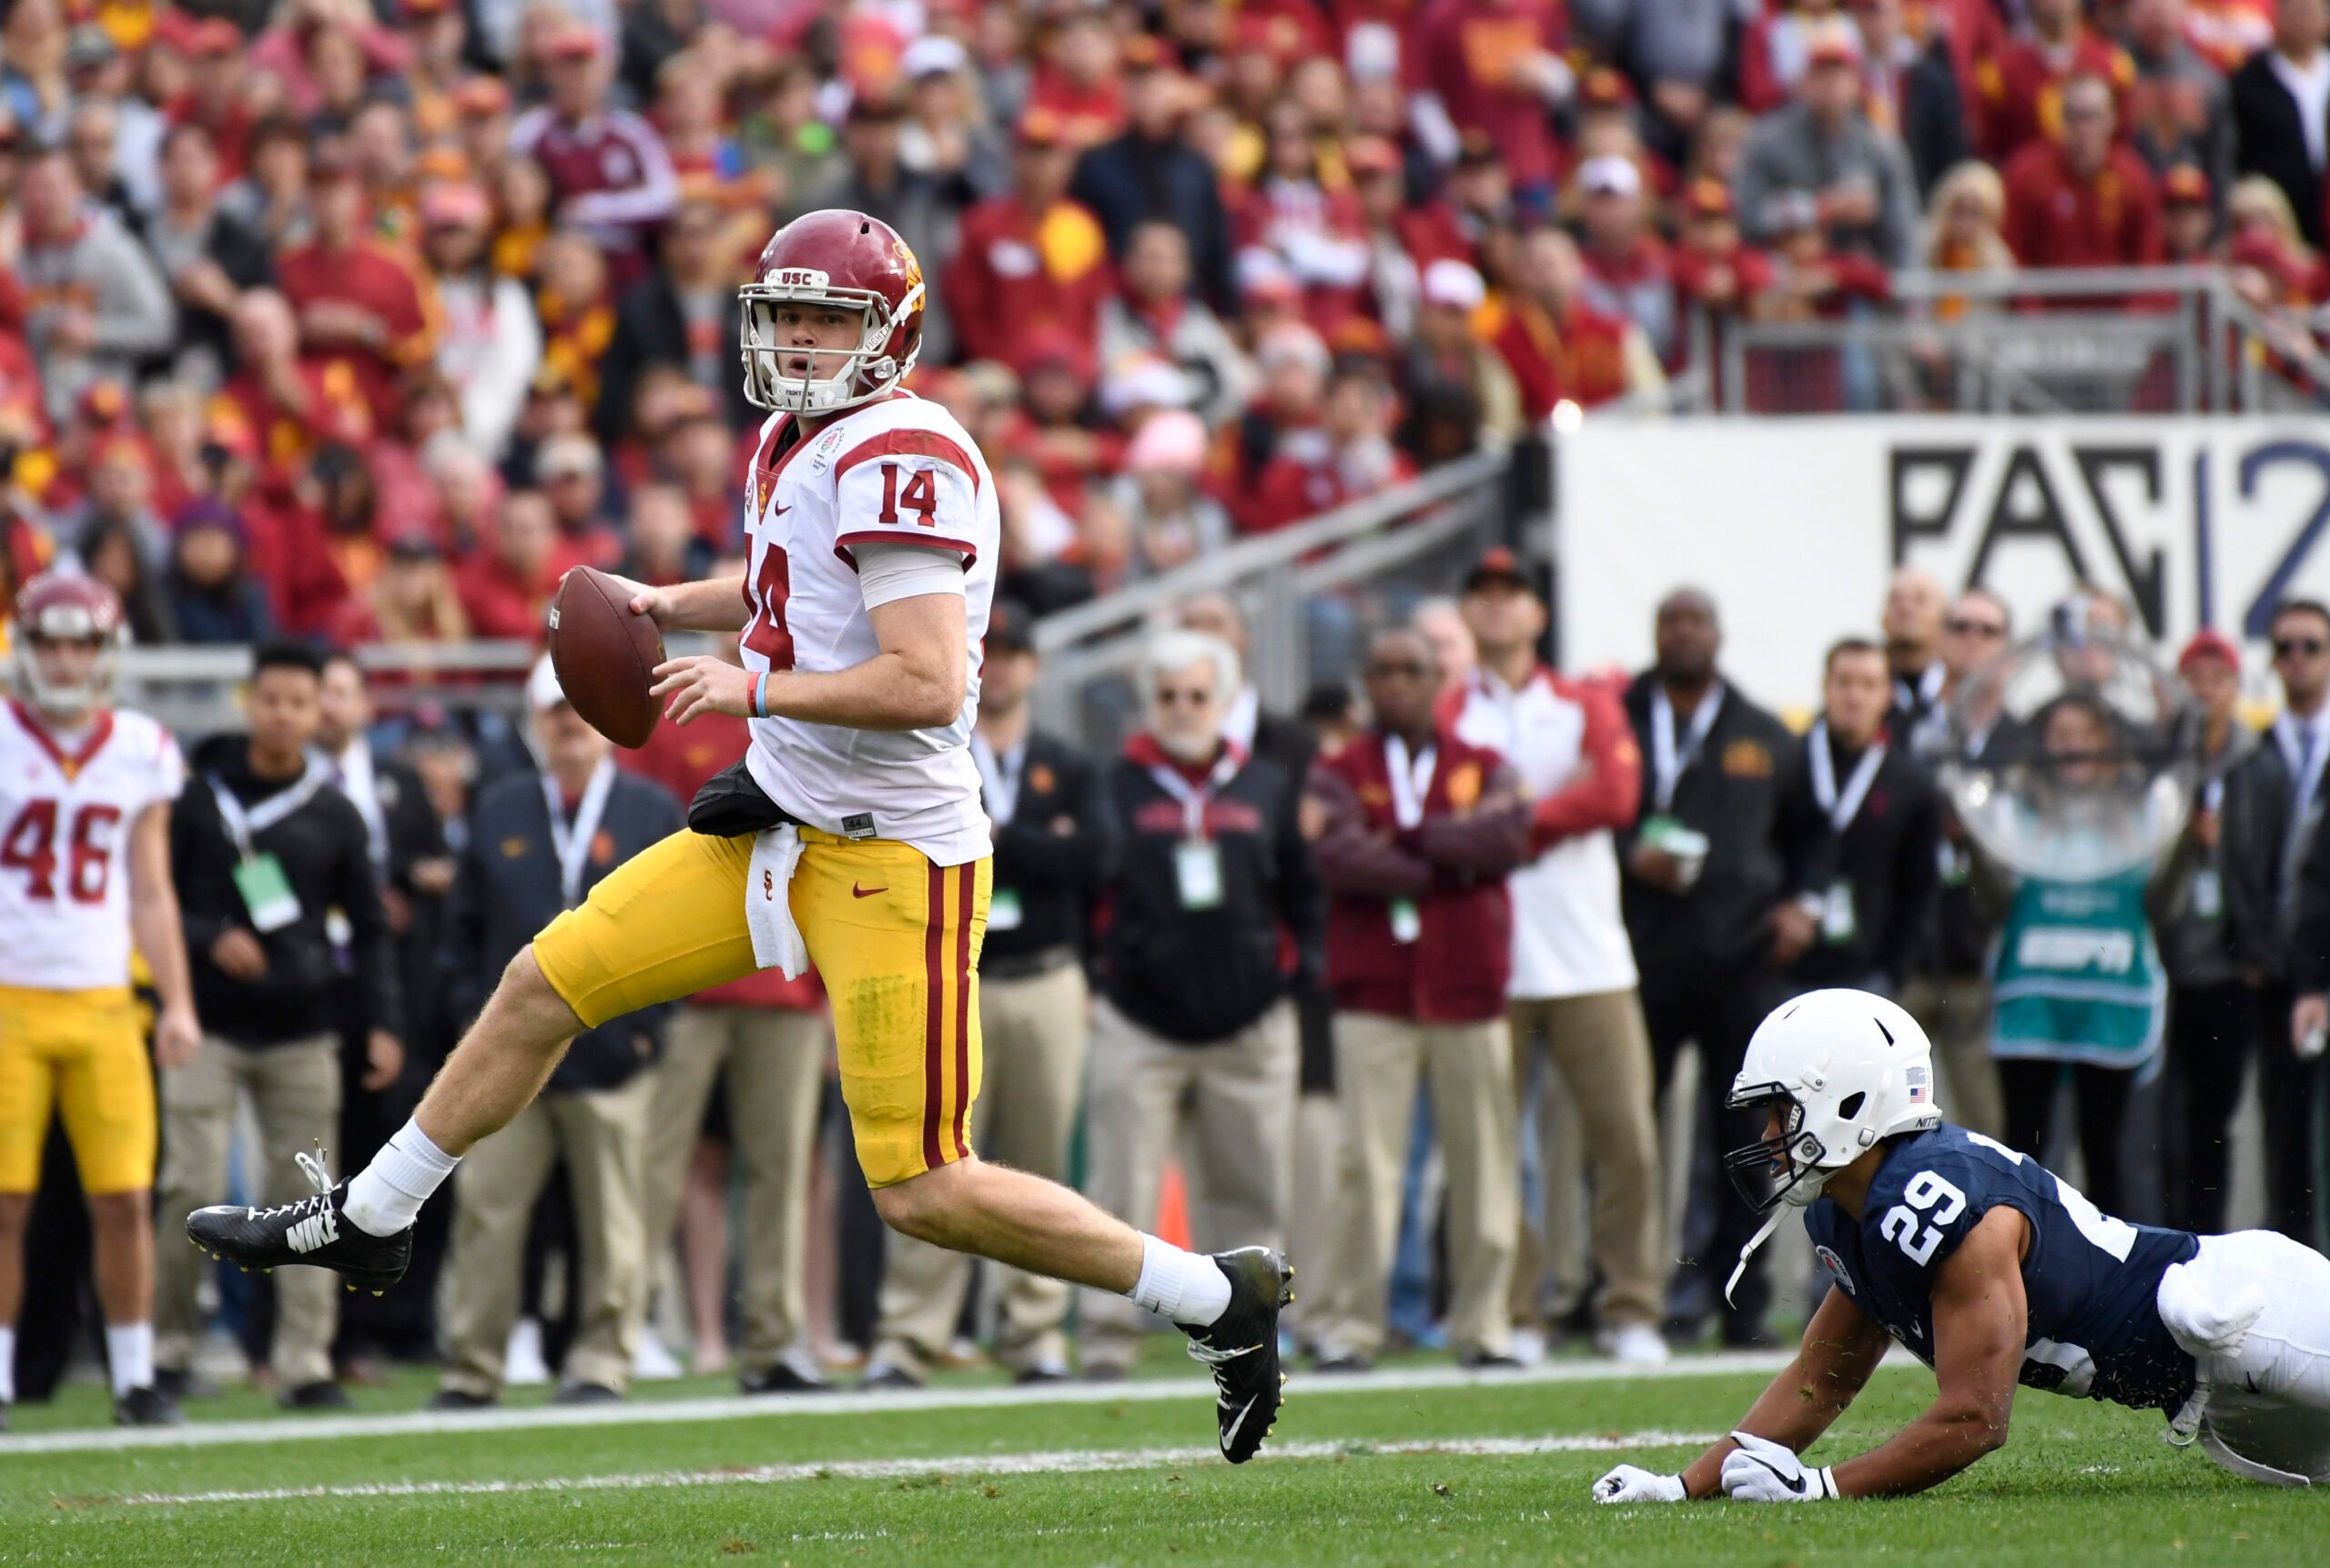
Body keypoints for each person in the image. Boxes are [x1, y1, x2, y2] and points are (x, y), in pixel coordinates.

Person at [192, 211, 1295, 1464]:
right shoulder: (793, 437)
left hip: (894, 856)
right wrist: (675, 600)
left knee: (922, 1184)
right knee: (540, 984)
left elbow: (927, 678)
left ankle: (1215, 1294)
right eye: (785, 315)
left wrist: (750, 687)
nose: (799, 339)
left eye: (828, 318)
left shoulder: (905, 454)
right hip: (778, 822)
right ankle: (375, 1213)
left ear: (893, 332)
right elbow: (791, 583)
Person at [1593, 988, 2330, 1502]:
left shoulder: (1938, 1200)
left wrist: (1821, 1486)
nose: (1767, 1135)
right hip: (2213, 1390)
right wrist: (1683, 1486)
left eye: (1781, 1111)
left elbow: (1976, 1417)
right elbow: (1824, 1377)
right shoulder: (1849, 1209)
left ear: (1847, 1100)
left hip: (2250, 1312)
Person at [432, 658, 682, 1408]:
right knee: (489, 1206)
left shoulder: (650, 808)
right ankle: (473, 1365)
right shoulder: (501, 806)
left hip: (611, 1049)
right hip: (513, 1052)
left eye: (580, 707)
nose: (569, 723)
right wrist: (472, 1021)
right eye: (554, 709)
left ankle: (601, 1361)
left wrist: (648, 1031)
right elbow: (461, 931)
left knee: (614, 1217)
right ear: (534, 721)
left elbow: (680, 932)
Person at [159, 642, 402, 1411]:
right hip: (207, 1023)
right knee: (190, 1181)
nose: (284, 715)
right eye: (271, 700)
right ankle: (164, 1353)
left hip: (304, 1028)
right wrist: (208, 937)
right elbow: (154, 897)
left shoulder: (334, 811)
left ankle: (304, 1361)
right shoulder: (196, 796)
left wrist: (383, 1021)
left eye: (300, 702)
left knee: (312, 1205)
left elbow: (370, 927)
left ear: (318, 710)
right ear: (249, 702)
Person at [870, 602, 1103, 1387]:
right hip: (948, 974)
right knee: (929, 1158)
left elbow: (1093, 859)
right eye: (987, 649)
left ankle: (1034, 1330)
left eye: (1011, 651)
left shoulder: (1066, 762)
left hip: (1042, 974)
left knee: (1039, 1157)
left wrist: (1001, 837)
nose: (998, 664)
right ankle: (911, 1333)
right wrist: (1042, 842)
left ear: (1033, 665)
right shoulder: (929, 748)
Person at [1078, 629, 1319, 1381]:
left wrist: (1289, 979)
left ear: (1224, 700)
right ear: (1149, 703)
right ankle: (1105, 1338)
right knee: (1119, 1189)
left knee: (1251, 1190)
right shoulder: (1115, 782)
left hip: (1248, 1021)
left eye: (1197, 694)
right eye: (1168, 696)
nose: (1183, 708)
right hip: (1139, 1019)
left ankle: (1253, 1333)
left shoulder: (1266, 783)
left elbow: (1302, 889)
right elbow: (1088, 887)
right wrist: (1097, 978)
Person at [1444, 551, 1667, 1365]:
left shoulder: (1583, 702)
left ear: (1538, 614)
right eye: (1483, 594)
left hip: (1589, 959)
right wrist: (1551, 807)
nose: (1497, 607)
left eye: (1512, 595)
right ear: (1468, 613)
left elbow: (1617, 796)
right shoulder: (1448, 711)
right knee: (1495, 1150)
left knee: (1626, 1139)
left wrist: (1509, 819)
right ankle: (1519, 1311)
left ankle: (1630, 1305)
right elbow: (1436, 823)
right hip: (1489, 963)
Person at [0, 577, 199, 1430]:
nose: (64, 659)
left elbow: (151, 889)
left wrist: (178, 1001)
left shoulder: (141, 747)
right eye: (49, 642)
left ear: (106, 652)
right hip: (8, 1000)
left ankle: (134, 1375)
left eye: (80, 642)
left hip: (105, 999)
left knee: (124, 1197)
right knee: (6, 1202)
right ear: (25, 648)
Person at [1306, 626, 1529, 1371]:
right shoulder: (1338, 768)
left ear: (1440, 680)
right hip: (1375, 992)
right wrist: (1449, 854)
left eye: (1412, 668)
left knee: (1485, 1162)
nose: (1398, 680)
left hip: (1469, 987)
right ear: (1366, 682)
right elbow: (1336, 855)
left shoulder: (1485, 763)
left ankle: (1484, 1325)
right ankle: (1352, 1328)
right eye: (1383, 669)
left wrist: (1402, 837)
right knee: (1365, 1168)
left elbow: (1508, 838)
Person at [1619, 588, 1796, 1344]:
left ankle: (1740, 1300)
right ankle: (1625, 1292)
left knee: (1743, 1141)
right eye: (1670, 621)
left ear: (1717, 635)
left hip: (1739, 960)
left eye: (1695, 621)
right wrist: (1629, 853)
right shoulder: (1620, 720)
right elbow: (1594, 814)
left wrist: (1802, 902)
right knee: (1630, 1134)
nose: (1682, 633)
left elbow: (1807, 832)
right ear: (1655, 633)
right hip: (1640, 958)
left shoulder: (1762, 732)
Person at [1981, 693, 2198, 1217]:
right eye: (2061, 735)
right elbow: (1992, 904)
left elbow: (2162, 906)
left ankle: (2104, 1265)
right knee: (2024, 1156)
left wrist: (2188, 846)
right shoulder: (2013, 812)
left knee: (2107, 1155)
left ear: (2109, 745)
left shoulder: (2144, 812)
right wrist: (1972, 847)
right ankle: (2023, 1263)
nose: (2073, 746)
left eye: (2086, 735)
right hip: (2031, 1002)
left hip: (2111, 1005)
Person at [1899, 589, 2014, 1140]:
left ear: (2007, 648)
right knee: (1890, 1128)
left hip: (1986, 961)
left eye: (1987, 630)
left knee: (1986, 1133)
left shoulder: (2025, 737)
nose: (1972, 639)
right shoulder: (1908, 726)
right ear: (1940, 639)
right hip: (1910, 955)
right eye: (1960, 626)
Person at [1769, 639, 1942, 999]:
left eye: (1868, 685)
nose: (1854, 697)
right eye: (1844, 682)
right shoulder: (1784, 763)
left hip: (1867, 978)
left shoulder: (1910, 784)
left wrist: (1894, 974)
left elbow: (1919, 887)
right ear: (1825, 687)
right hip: (1781, 970)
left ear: (1887, 695)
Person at [2161, 631, 2260, 1237]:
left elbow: (2271, 858)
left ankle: (2210, 1237)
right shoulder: (2162, 761)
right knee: (2161, 1122)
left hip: (2228, 969)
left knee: (2214, 1120)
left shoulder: (2257, 761)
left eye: (2216, 680)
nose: (2204, 693)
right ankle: (2163, 1237)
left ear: (2236, 688)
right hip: (2168, 963)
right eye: (2193, 680)